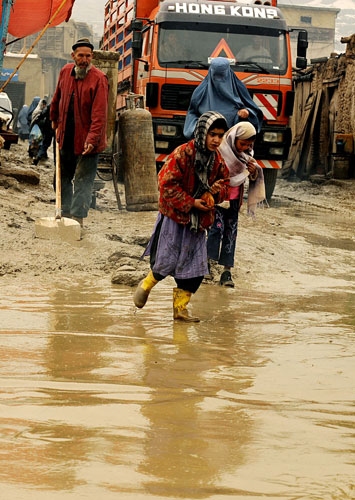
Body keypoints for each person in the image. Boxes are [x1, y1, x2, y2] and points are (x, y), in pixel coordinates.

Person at [133, 111, 230, 322]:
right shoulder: (182, 154)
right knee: (164, 263)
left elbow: (225, 184)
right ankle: (146, 286)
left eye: (220, 135)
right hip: (175, 220)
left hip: (198, 224)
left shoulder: (218, 161)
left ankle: (180, 310)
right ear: (202, 133)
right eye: (212, 134)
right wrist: (191, 202)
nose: (216, 140)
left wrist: (214, 194)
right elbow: (165, 185)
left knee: (194, 272)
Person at [50, 37, 109, 227]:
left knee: (83, 181)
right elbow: (57, 98)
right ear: (73, 56)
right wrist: (53, 118)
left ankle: (77, 219)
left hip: (89, 140)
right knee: (62, 176)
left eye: (88, 56)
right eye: (80, 56)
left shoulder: (99, 79)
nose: (84, 60)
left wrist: (92, 139)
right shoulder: (65, 72)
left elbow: (100, 114)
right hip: (66, 136)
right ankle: (64, 213)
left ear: (92, 57)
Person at [206, 122, 265, 287]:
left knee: (231, 233)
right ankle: (206, 266)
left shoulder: (246, 156)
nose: (245, 147)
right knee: (215, 230)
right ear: (234, 139)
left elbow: (247, 177)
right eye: (242, 143)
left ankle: (226, 272)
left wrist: (252, 171)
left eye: (248, 144)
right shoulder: (220, 151)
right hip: (217, 200)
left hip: (234, 201)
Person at [183, 57, 263, 140]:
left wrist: (247, 112)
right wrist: (200, 128)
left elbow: (253, 110)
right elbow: (192, 114)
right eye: (216, 76)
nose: (219, 81)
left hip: (233, 141)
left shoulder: (238, 87)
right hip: (208, 141)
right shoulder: (200, 92)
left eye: (222, 76)